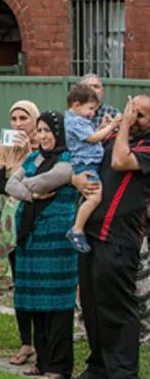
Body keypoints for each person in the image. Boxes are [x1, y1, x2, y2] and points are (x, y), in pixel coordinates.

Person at [70, 95, 150, 379]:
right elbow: (79, 160)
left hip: (118, 237)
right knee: (91, 306)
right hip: (90, 233)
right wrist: (76, 179)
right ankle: (99, 366)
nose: (135, 119)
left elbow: (119, 162)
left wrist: (125, 125)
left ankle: (125, 375)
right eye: (133, 112)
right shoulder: (115, 135)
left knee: (116, 307)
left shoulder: (144, 145)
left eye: (141, 116)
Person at [5, 110, 78, 379]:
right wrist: (31, 193)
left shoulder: (69, 159)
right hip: (31, 239)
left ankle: (60, 366)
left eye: (48, 131)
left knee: (58, 302)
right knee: (35, 302)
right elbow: (10, 184)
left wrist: (27, 188)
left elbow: (50, 179)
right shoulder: (33, 157)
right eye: (40, 131)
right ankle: (42, 360)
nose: (44, 136)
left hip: (56, 238)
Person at [0, 100, 40, 366]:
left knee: (37, 280)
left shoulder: (41, 146)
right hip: (10, 223)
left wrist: (29, 152)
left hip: (34, 219)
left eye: (24, 118)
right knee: (19, 284)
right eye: (14, 119)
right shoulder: (3, 148)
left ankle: (42, 340)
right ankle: (26, 342)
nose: (19, 124)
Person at [64, 83, 120, 253]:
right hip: (86, 165)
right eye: (91, 109)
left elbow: (92, 137)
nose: (93, 113)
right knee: (94, 197)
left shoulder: (81, 120)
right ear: (76, 104)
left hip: (90, 162)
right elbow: (93, 139)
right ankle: (77, 229)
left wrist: (103, 127)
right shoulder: (74, 122)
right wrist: (112, 126)